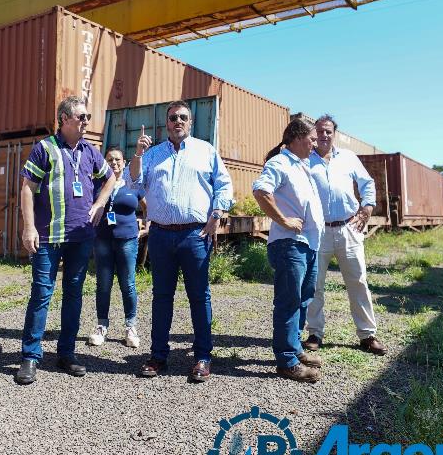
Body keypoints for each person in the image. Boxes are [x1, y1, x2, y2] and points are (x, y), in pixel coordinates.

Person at [129, 101, 233, 383]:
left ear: (191, 122)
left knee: (199, 297)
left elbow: (224, 185)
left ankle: (202, 357)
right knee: (162, 297)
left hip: (194, 235)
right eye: (173, 118)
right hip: (161, 235)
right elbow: (133, 185)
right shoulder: (151, 155)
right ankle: (158, 356)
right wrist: (137, 155)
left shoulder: (206, 151)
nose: (178, 121)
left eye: (183, 118)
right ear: (167, 124)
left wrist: (217, 214)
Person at [15, 96, 117, 384]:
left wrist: (99, 204)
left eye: (87, 117)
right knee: (41, 295)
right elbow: (27, 189)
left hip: (80, 236)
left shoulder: (91, 151)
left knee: (73, 295)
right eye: (81, 117)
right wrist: (28, 228)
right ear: (63, 118)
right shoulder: (44, 149)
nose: (86, 122)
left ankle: (66, 353)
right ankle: (30, 357)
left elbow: (109, 178)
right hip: (48, 237)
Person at [305, 114, 386, 355]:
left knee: (358, 281)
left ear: (334, 133)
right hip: (318, 231)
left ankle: (367, 335)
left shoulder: (348, 158)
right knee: (314, 284)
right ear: (313, 133)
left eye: (328, 131)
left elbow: (367, 183)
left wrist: (367, 207)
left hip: (348, 228)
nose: (324, 135)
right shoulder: (305, 160)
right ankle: (314, 333)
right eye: (319, 131)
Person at [252, 119, 325, 383]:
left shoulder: (301, 166)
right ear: (296, 138)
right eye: (312, 139)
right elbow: (261, 191)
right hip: (289, 244)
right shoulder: (280, 163)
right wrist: (283, 220)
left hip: (308, 244)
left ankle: (294, 348)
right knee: (289, 302)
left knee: (304, 298)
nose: (316, 144)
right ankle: (286, 361)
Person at [87, 147, 147, 349]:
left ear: (124, 162)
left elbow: (147, 207)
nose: (114, 163)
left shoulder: (133, 184)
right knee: (103, 285)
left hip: (128, 240)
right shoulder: (97, 184)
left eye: (118, 159)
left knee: (128, 284)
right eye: (110, 159)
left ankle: (131, 327)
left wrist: (147, 227)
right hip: (102, 239)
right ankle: (101, 325)